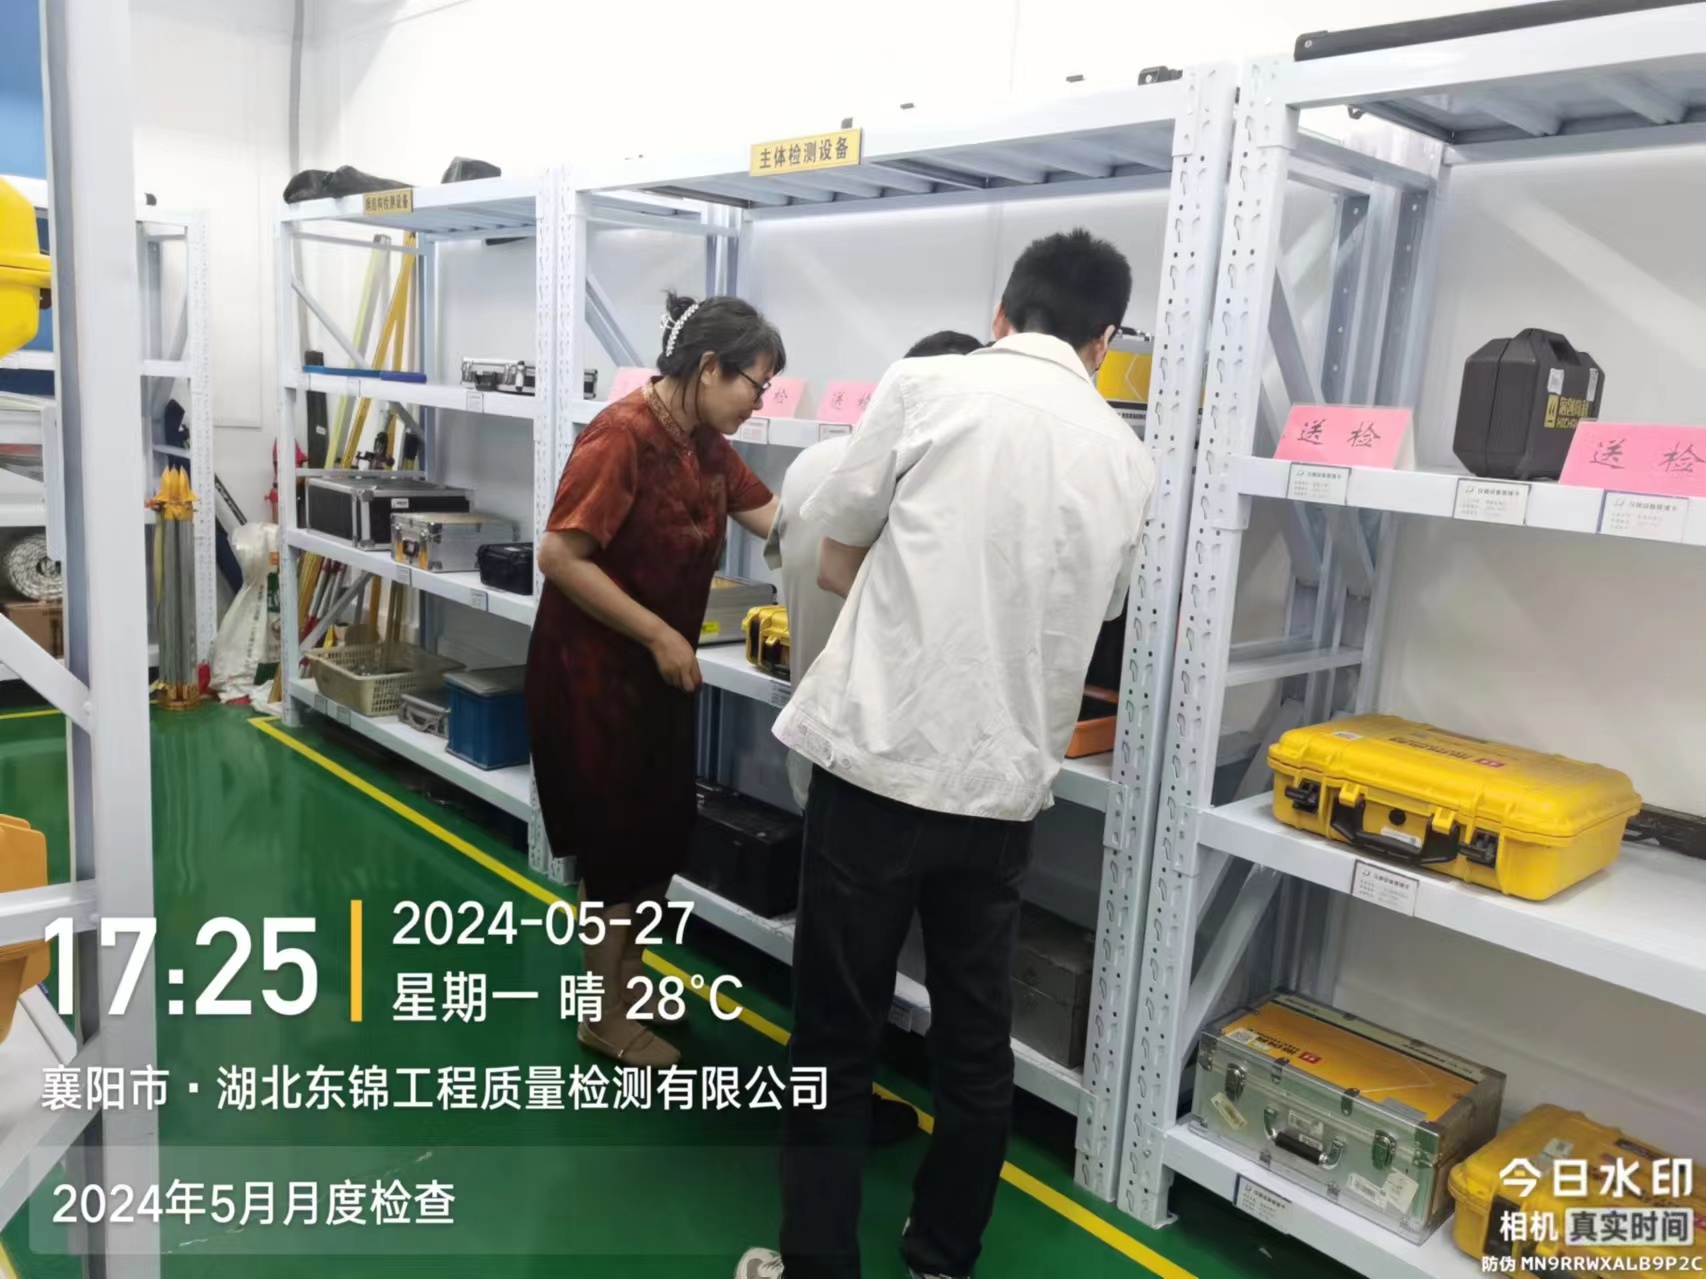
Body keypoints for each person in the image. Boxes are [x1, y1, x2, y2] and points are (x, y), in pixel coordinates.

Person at [738, 230, 1156, 1279]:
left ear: (1001, 314)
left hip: (878, 762)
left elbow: (834, 551)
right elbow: (1099, 608)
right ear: (1104, 342)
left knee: (835, 1032)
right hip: (1001, 790)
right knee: (975, 1041)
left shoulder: (927, 385)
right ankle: (940, 1256)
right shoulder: (1125, 456)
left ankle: (815, 1262)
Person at [527, 292, 783, 1071]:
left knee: (659, 832)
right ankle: (602, 1015)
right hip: (594, 673)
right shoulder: (622, 436)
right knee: (615, 844)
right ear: (709, 369)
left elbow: (777, 518)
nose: (759, 402)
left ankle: (627, 984)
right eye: (755, 384)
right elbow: (558, 555)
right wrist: (658, 632)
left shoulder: (706, 444)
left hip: (659, 673)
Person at [762, 329, 983, 1153]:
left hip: (813, 736)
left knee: (832, 956)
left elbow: (789, 559)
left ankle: (820, 1101)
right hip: (892, 762)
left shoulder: (813, 466)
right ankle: (834, 1117)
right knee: (869, 967)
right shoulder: (938, 491)